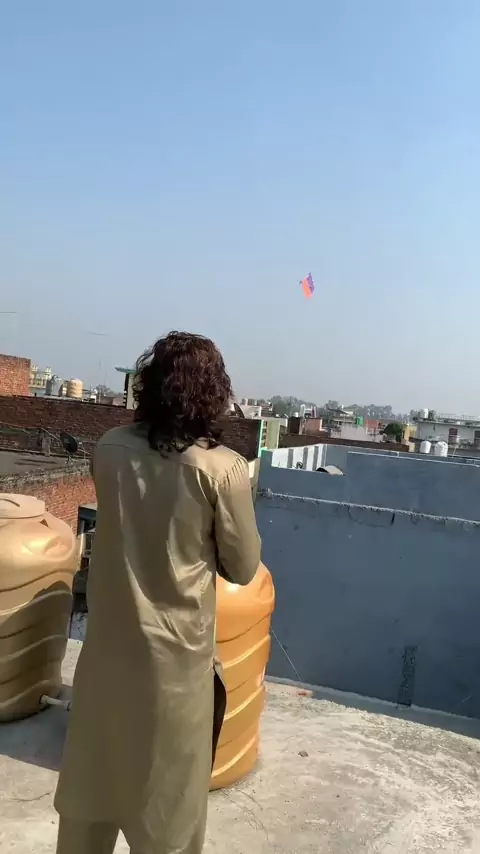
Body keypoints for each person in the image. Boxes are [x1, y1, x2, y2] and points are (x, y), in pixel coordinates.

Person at [54, 331, 261, 854]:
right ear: (213, 392)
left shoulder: (109, 449)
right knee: (168, 820)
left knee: (89, 804)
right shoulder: (223, 469)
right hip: (175, 670)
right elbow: (242, 567)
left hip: (105, 658)